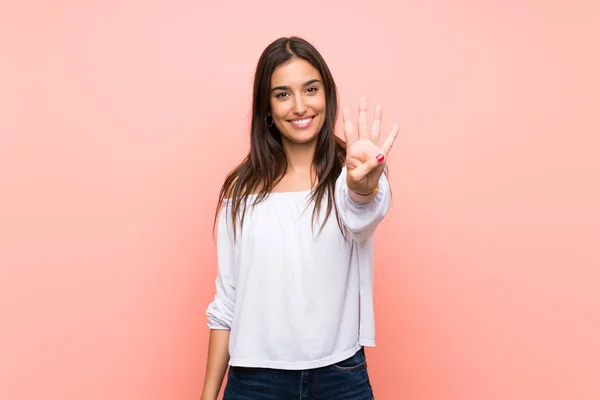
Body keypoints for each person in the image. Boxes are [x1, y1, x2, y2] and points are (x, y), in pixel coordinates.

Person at [200, 36, 399, 400]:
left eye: (311, 89)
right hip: (255, 379)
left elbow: (361, 216)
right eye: (282, 94)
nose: (300, 106)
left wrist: (363, 187)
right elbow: (226, 302)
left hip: (339, 377)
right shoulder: (241, 191)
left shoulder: (352, 175)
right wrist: (207, 396)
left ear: (327, 95)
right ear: (267, 108)